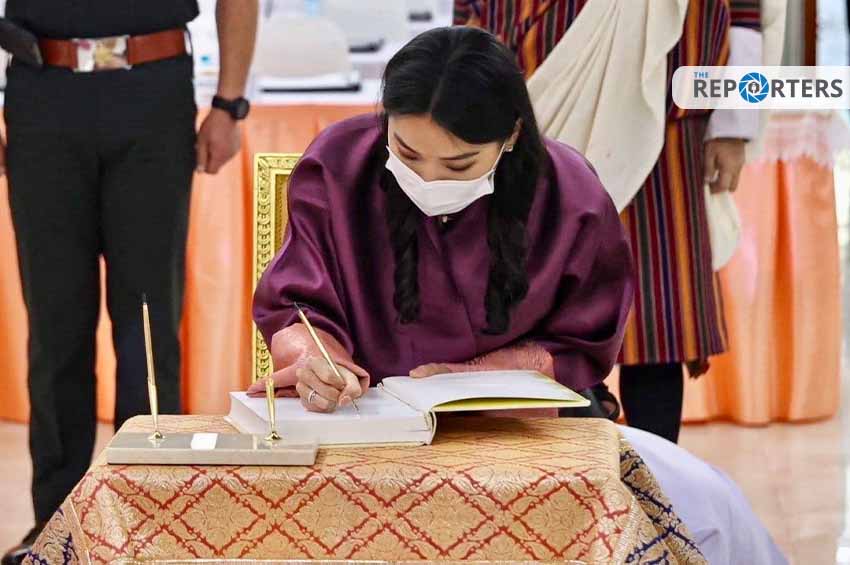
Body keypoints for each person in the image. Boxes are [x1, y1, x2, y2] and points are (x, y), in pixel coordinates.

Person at [249, 27, 787, 564]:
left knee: (709, 511)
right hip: (368, 428)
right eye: (407, 153)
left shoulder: (568, 191)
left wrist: (480, 378)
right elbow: (297, 303)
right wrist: (317, 359)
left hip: (528, 425)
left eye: (459, 165)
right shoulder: (340, 162)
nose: (428, 178)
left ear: (510, 136)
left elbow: (585, 338)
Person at [1, 2, 258, 563]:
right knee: (55, 328)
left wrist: (230, 104)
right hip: (41, 93)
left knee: (149, 326)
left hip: (152, 91)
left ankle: (150, 523)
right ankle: (57, 529)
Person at [454, 0, 765, 443]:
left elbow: (746, 12)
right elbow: (467, 17)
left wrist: (735, 126)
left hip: (665, 123)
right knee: (539, 314)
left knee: (658, 322)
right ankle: (566, 473)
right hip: (535, 107)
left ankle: (657, 474)